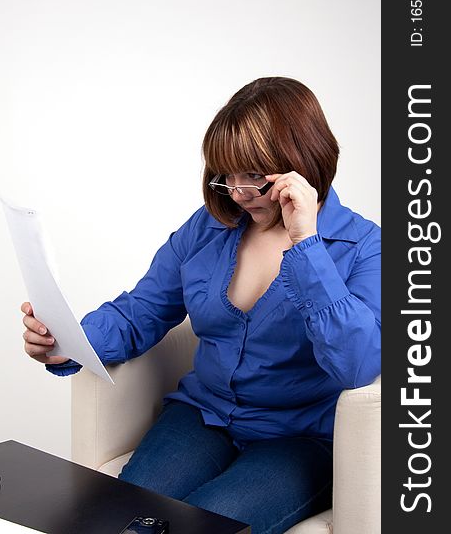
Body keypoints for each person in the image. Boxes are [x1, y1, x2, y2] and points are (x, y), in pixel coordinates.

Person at [21, 76, 381, 534]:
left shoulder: (365, 246)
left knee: (197, 527)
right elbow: (141, 310)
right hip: (202, 415)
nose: (237, 192)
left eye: (254, 175)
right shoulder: (208, 228)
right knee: (119, 516)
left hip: (298, 439)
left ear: (302, 162)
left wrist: (306, 243)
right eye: (226, 174)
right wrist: (66, 341)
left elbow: (356, 365)